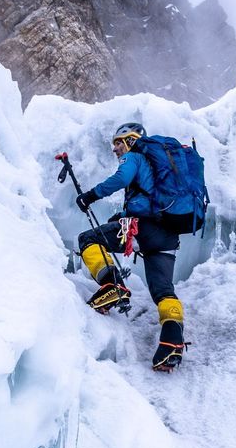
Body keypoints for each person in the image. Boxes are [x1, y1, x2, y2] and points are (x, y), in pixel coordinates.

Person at [75, 122, 186, 372]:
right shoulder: (160, 169)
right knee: (164, 292)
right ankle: (171, 343)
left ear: (132, 140)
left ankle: (112, 284)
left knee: (88, 239)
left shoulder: (134, 157)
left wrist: (90, 196)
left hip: (141, 227)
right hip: (167, 235)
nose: (115, 148)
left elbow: (121, 178)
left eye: (118, 142)